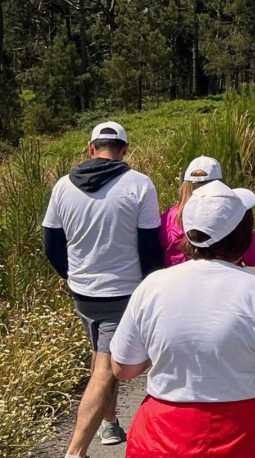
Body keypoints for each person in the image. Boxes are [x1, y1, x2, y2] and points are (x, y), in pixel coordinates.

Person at [110, 181, 255, 458]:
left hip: (165, 435)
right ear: (242, 235)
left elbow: (123, 368)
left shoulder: (152, 286)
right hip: (246, 434)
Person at [42, 121, 162, 456]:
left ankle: (109, 424)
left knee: (101, 355)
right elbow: (149, 246)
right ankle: (75, 451)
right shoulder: (140, 185)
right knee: (106, 368)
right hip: (122, 291)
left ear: (91, 147)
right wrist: (153, 286)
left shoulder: (63, 186)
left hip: (83, 291)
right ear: (124, 149)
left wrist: (71, 275)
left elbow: (51, 244)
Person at [160, 156, 255, 268]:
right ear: (219, 184)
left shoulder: (168, 218)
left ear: (185, 184)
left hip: (179, 277)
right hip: (225, 276)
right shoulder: (229, 214)